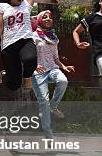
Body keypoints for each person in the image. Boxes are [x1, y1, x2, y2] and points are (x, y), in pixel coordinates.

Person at [31, 10, 74, 139]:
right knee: (43, 102)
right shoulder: (33, 36)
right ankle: (48, 135)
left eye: (50, 17)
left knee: (63, 81)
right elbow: (28, 55)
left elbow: (55, 57)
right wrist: (34, 65)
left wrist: (64, 66)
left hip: (52, 68)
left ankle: (53, 107)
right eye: (45, 17)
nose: (48, 19)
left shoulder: (54, 38)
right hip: (37, 72)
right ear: (39, 20)